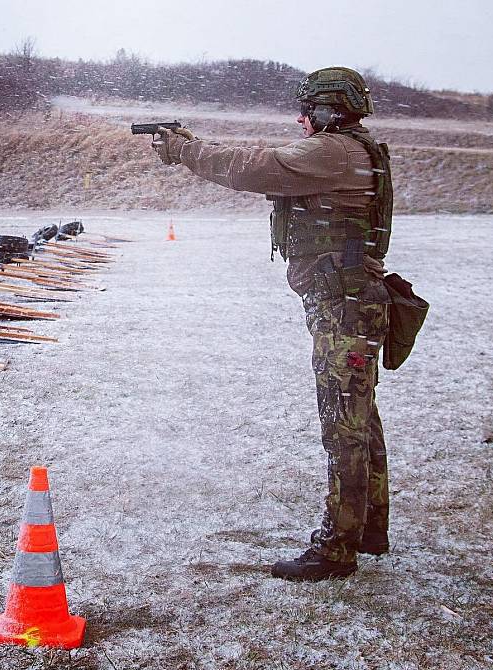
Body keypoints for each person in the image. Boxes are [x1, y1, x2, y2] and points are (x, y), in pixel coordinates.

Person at [151, 67, 394, 581]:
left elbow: (254, 167)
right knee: (359, 415)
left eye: (308, 109)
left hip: (344, 303)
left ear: (331, 110)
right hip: (348, 297)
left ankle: (337, 549)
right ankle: (367, 526)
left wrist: (183, 149)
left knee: (344, 423)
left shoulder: (335, 151)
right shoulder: (351, 149)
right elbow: (269, 163)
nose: (301, 118)